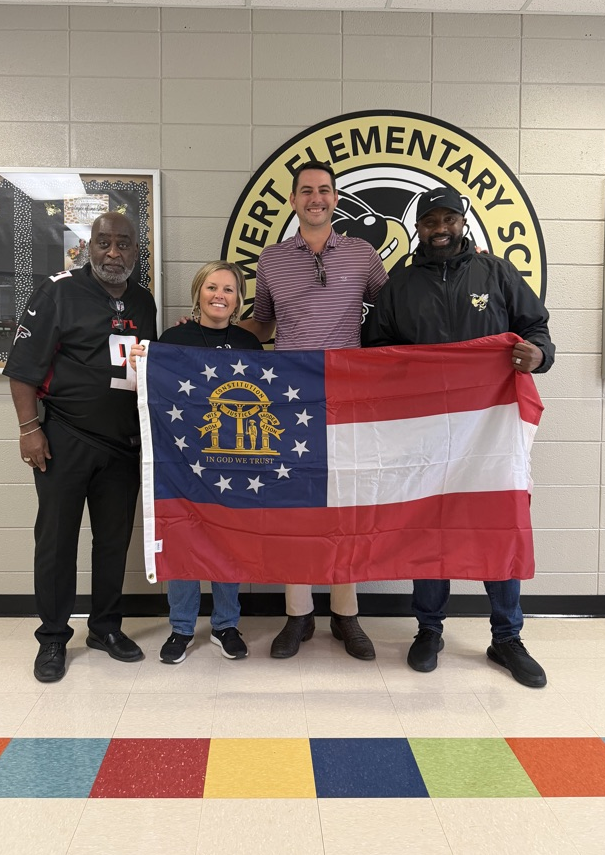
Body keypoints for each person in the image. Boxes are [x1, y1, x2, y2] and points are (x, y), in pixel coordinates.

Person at [363, 184, 555, 688]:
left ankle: (507, 637)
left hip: (489, 431)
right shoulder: (399, 285)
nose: (440, 229)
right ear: (419, 228)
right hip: (425, 433)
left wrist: (538, 354)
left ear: (462, 223)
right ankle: (428, 630)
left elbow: (537, 330)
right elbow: (375, 349)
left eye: (448, 220)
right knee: (430, 525)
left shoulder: (496, 273)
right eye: (431, 222)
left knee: (497, 521)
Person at [240, 160, 389, 661]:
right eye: (306, 191)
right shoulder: (271, 259)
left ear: (336, 198)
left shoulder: (364, 255)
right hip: (289, 399)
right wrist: (203, 331)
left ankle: (346, 616)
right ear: (293, 200)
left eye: (324, 190)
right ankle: (298, 615)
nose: (315, 199)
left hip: (348, 398)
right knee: (295, 510)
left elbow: (395, 315)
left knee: (346, 506)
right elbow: (261, 327)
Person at [3, 211, 157, 683]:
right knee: (56, 542)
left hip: (122, 446)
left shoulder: (143, 300)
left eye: (124, 244)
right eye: (104, 243)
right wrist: (30, 429)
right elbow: (23, 369)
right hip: (63, 439)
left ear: (136, 249)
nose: (114, 253)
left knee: (113, 543)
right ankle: (52, 639)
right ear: (88, 246)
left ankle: (105, 628)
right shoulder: (58, 291)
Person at [131, 261, 262, 664]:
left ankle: (225, 624)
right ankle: (182, 628)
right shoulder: (173, 338)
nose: (219, 295)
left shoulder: (249, 345)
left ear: (239, 299)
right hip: (184, 461)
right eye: (212, 287)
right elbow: (151, 388)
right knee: (184, 540)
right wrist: (142, 362)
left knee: (228, 542)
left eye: (228, 289)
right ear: (198, 292)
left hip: (235, 460)